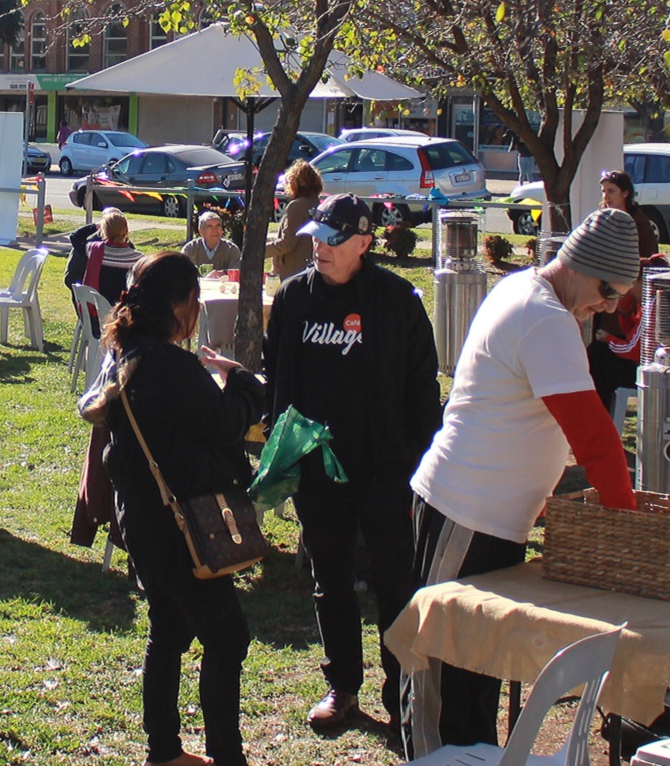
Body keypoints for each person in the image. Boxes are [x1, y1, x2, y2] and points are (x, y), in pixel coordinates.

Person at [406, 207, 642, 751]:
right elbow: (597, 442)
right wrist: (628, 528)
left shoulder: (532, 296)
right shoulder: (544, 318)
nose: (605, 307)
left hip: (492, 521)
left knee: (479, 674)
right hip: (465, 512)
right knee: (441, 674)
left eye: (619, 300)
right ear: (579, 266)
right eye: (607, 291)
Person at [264, 193, 443, 730]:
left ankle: (402, 695)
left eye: (332, 238)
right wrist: (286, 453)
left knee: (394, 583)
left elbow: (421, 390)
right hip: (319, 471)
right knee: (331, 578)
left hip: (386, 469)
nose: (318, 245)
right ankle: (342, 684)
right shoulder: (295, 298)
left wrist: (418, 469)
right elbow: (280, 382)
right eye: (317, 235)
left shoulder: (397, 301)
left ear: (364, 242)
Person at [77, 252, 264, 766]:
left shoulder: (124, 353)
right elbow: (226, 422)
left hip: (142, 520)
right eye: (194, 301)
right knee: (228, 638)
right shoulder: (168, 364)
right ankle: (227, 756)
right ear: (181, 304)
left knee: (169, 631)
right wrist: (244, 380)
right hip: (182, 527)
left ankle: (164, 751)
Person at [586, 171, 665, 411]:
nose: (606, 196)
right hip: (607, 291)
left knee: (602, 353)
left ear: (626, 193)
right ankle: (600, 407)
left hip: (623, 294)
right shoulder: (604, 216)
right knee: (596, 348)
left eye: (611, 191)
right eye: (603, 191)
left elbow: (644, 263)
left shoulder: (636, 223)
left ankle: (604, 410)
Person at [266, 161, 326, 281]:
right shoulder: (315, 203)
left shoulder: (297, 206)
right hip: (307, 269)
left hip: (291, 272)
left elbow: (287, 243)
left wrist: (259, 251)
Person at [82, 209, 143, 309]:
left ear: (103, 230)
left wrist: (94, 226)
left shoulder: (92, 249)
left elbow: (76, 237)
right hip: (123, 316)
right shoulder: (138, 259)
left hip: (96, 313)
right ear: (127, 231)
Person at [181, 211, 244, 275]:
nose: (215, 230)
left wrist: (223, 273)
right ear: (201, 231)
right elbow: (182, 272)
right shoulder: (190, 249)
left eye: (218, 226)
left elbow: (235, 272)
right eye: (210, 226)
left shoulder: (231, 250)